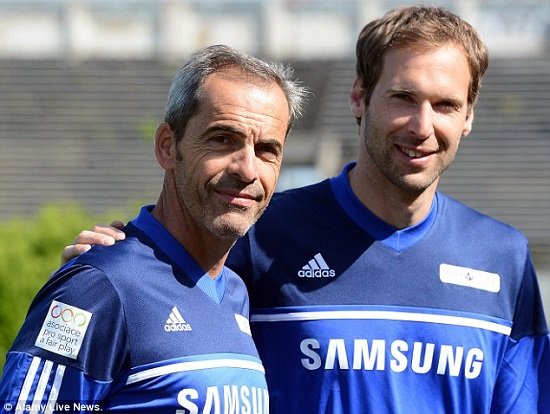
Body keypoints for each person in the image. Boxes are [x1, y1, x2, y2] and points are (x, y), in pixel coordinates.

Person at [57, 5, 550, 414]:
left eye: (445, 105)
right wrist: (106, 274)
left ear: (468, 116)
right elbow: (152, 293)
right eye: (403, 97)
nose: (422, 126)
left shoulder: (502, 256)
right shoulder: (260, 231)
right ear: (359, 97)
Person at [0, 44, 307, 412]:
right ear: (167, 146)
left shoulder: (236, 292)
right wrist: (89, 280)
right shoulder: (98, 287)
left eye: (267, 149)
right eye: (222, 139)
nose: (247, 169)